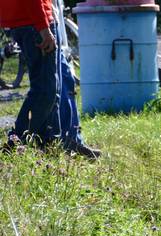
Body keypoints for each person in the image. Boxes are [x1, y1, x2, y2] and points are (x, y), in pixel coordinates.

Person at [0, 0, 100, 158]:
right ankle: (15, 143)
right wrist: (43, 26)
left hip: (34, 19)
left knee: (63, 81)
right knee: (45, 91)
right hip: (34, 21)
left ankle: (62, 142)